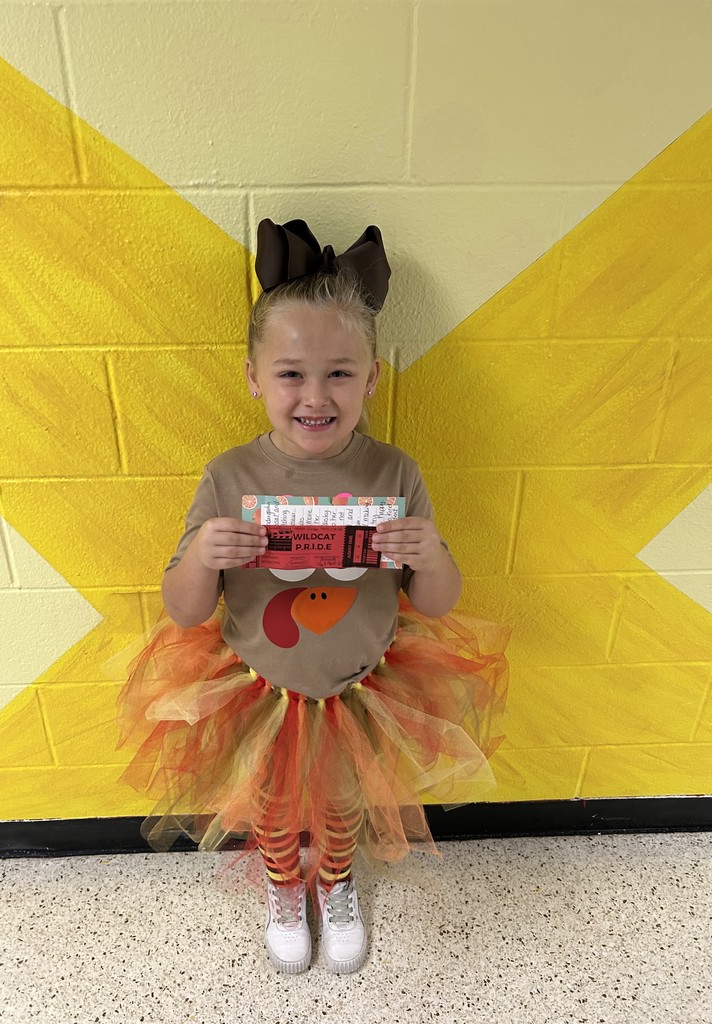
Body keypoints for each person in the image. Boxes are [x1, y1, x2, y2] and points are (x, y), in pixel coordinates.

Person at [117, 218, 509, 976]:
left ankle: (334, 884)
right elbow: (185, 608)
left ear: (372, 378)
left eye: (339, 372)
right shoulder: (229, 475)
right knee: (269, 806)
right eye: (292, 373)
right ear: (254, 378)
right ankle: (281, 884)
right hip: (257, 686)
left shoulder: (395, 472)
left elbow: (435, 599)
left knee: (339, 804)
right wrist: (203, 554)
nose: (315, 395)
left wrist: (429, 554)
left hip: (362, 686)